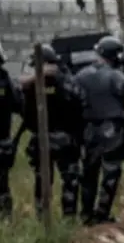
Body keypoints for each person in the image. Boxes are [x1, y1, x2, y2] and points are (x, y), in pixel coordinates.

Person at [74, 36, 124, 225]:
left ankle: (85, 213)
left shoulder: (82, 75)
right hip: (112, 129)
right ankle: (102, 213)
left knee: (88, 171)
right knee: (111, 171)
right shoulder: (115, 75)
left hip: (88, 128)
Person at [20, 43, 85, 219]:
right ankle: (67, 215)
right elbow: (79, 102)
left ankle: (45, 216)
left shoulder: (34, 83)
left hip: (48, 138)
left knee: (45, 178)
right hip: (63, 138)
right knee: (66, 178)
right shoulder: (65, 79)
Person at [0, 43, 23, 218]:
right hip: (3, 142)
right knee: (2, 184)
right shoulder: (5, 79)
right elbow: (18, 104)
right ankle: (6, 218)